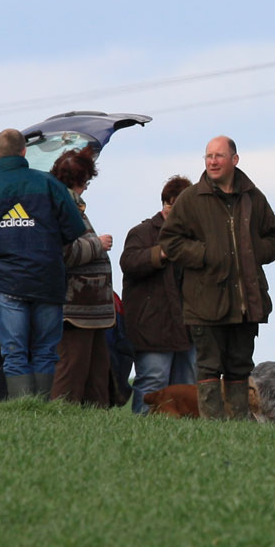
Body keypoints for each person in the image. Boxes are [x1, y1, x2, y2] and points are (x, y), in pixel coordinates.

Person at [159, 136, 275, 420]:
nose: (212, 161)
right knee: (209, 366)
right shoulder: (191, 199)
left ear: (234, 160)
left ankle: (238, 425)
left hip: (245, 301)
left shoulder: (254, 197)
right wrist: (205, 254)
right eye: (208, 156)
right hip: (205, 300)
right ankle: (212, 428)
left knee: (240, 365)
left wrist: (251, 253)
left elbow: (274, 236)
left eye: (219, 156)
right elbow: (170, 240)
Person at [0, 129, 86, 398]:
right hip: (48, 281)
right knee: (45, 350)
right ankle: (40, 409)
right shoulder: (50, 185)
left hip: (7, 284)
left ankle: (22, 409)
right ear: (24, 152)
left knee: (14, 352)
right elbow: (75, 228)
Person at [120, 175, 197, 414]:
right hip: (152, 327)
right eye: (168, 204)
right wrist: (160, 254)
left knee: (186, 389)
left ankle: (184, 441)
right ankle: (142, 436)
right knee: (152, 383)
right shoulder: (142, 232)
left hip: (190, 327)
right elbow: (129, 262)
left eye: (178, 206)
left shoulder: (197, 236)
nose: (170, 210)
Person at [47, 146, 116, 407]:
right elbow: (64, 252)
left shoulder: (72, 205)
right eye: (85, 181)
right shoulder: (61, 206)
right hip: (75, 308)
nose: (86, 187)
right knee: (71, 371)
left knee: (96, 373)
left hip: (91, 309)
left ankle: (96, 423)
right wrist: (98, 245)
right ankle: (61, 418)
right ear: (76, 180)